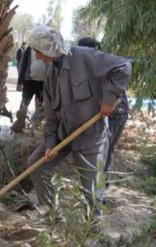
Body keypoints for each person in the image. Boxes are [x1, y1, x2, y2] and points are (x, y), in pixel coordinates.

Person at [27, 26, 131, 214]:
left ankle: (93, 230)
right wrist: (50, 143)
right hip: (63, 135)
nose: (38, 57)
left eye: (39, 52)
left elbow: (122, 66)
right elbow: (50, 115)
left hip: (91, 136)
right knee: (36, 165)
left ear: (50, 48)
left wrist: (107, 100)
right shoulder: (50, 74)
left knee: (91, 188)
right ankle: (52, 216)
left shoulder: (85, 57)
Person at [77, 37, 130, 185]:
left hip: (115, 113)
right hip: (113, 112)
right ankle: (100, 188)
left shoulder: (99, 64)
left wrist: (107, 102)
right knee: (104, 151)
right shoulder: (95, 62)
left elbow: (125, 67)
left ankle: (99, 190)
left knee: (104, 151)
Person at [12, 45, 47, 133]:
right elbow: (22, 65)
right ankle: (19, 125)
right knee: (24, 103)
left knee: (40, 106)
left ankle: (35, 127)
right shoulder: (29, 49)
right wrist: (20, 82)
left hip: (43, 83)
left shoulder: (47, 48)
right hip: (29, 82)